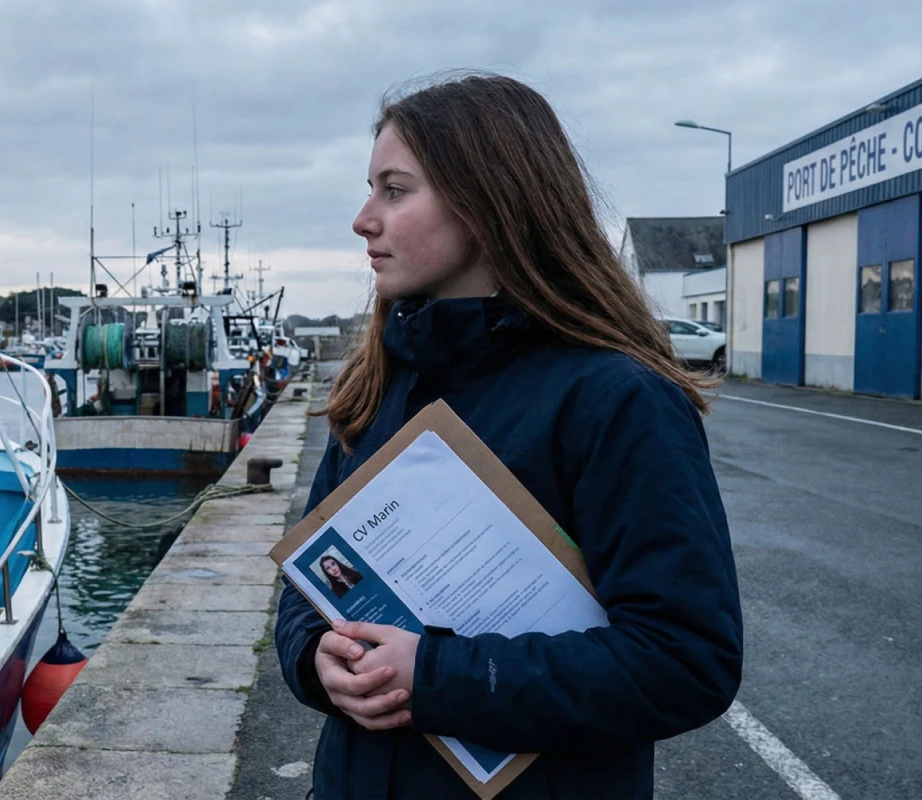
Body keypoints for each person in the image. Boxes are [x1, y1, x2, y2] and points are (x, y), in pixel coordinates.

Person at [273, 74, 742, 799]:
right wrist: (318, 663)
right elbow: (312, 586)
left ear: (488, 200)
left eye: (394, 191)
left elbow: (684, 660)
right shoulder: (376, 381)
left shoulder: (617, 400)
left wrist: (436, 678)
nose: (363, 219)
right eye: (370, 190)